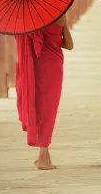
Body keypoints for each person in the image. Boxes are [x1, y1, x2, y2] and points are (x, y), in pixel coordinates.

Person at [15, 14, 73, 170]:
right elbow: (69, 44)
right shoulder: (60, 15)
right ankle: (43, 156)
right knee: (49, 109)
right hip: (52, 65)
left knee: (38, 105)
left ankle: (44, 154)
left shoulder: (26, 18)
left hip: (33, 65)